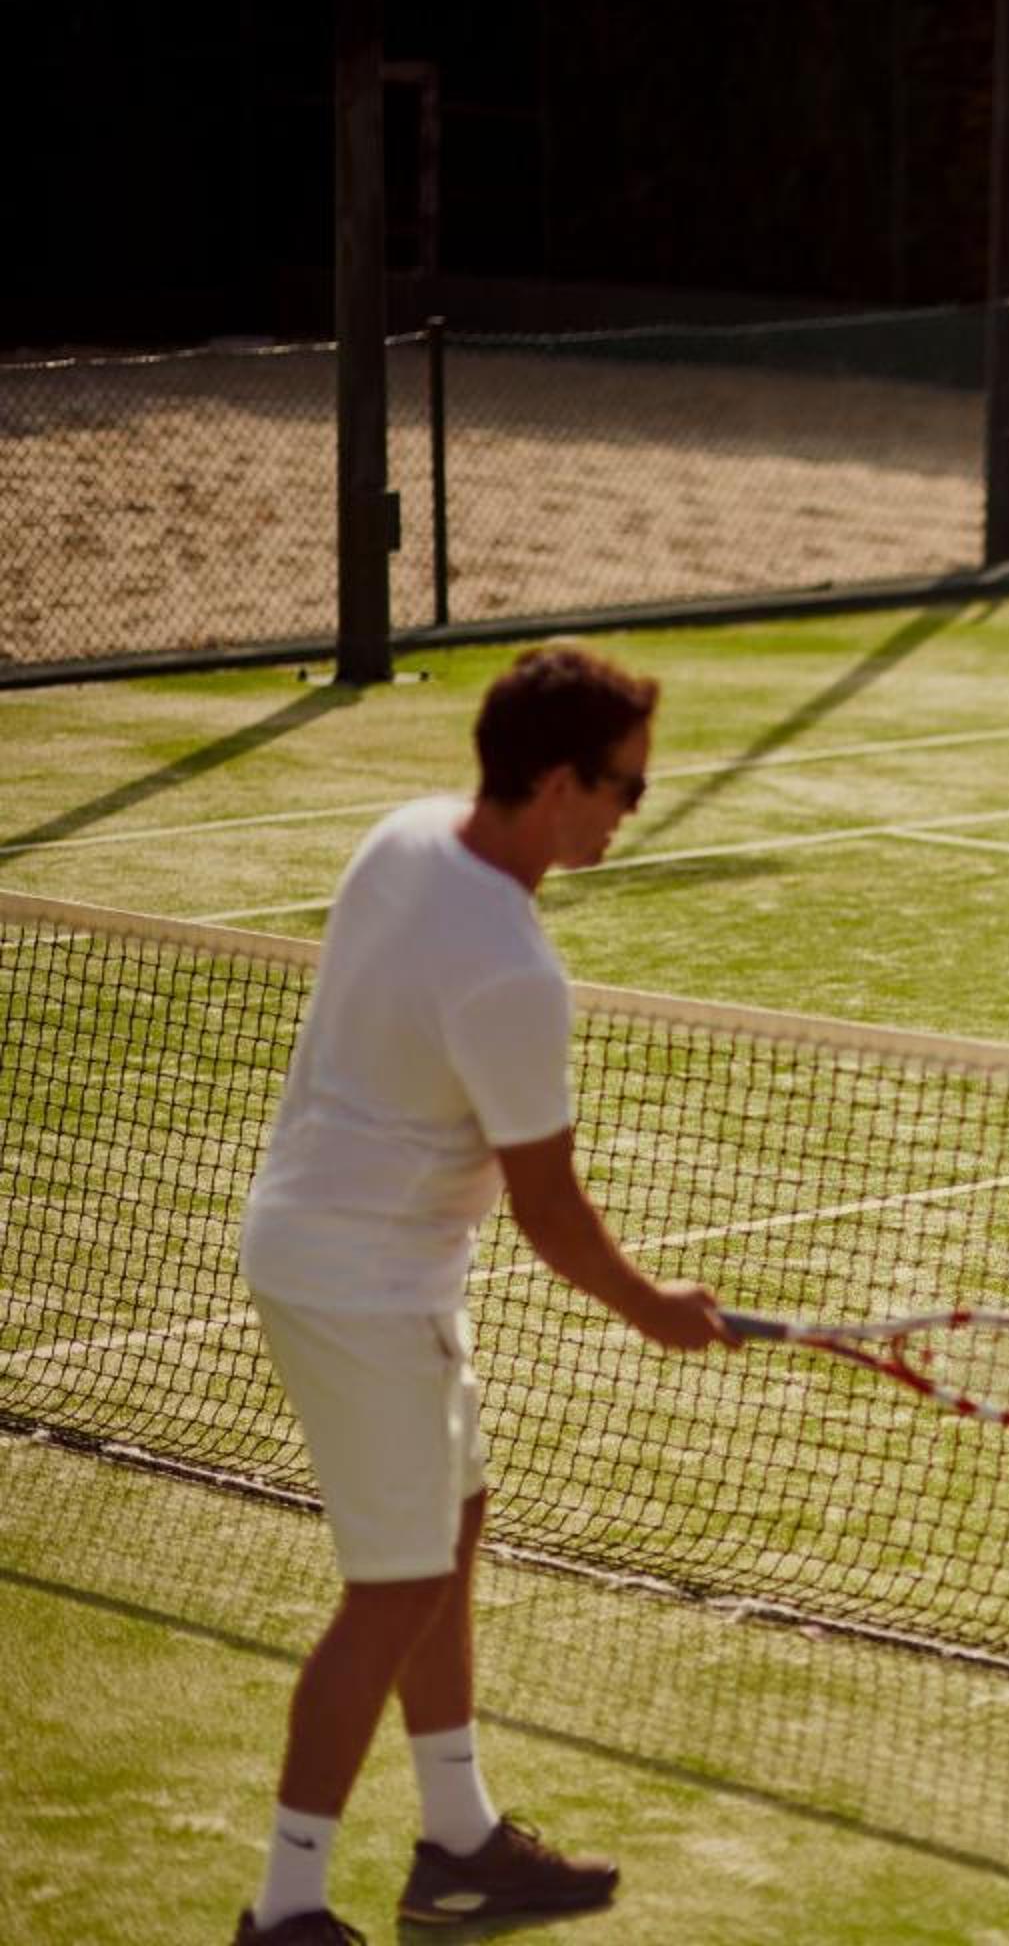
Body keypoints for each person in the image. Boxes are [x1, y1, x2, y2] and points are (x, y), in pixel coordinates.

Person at [233, 645, 735, 1945]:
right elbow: (549, 1210)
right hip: (361, 1285)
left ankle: (457, 1841)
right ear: (560, 782)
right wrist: (654, 1307)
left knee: (452, 1525)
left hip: (346, 1252)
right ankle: (285, 1907)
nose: (633, 811)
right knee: (393, 1590)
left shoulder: (404, 839)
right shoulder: (513, 971)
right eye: (627, 787)